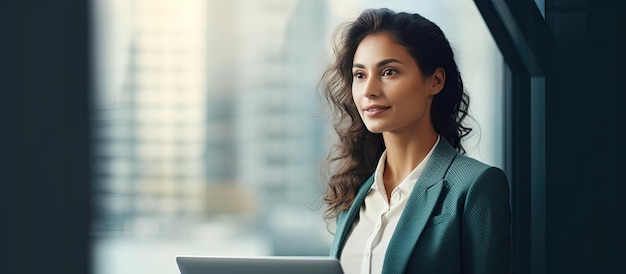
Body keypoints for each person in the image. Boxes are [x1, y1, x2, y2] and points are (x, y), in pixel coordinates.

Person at [320, 8, 511, 274]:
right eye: (360, 75)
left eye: (388, 72)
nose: (369, 90)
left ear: (435, 81)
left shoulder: (474, 187)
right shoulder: (355, 192)